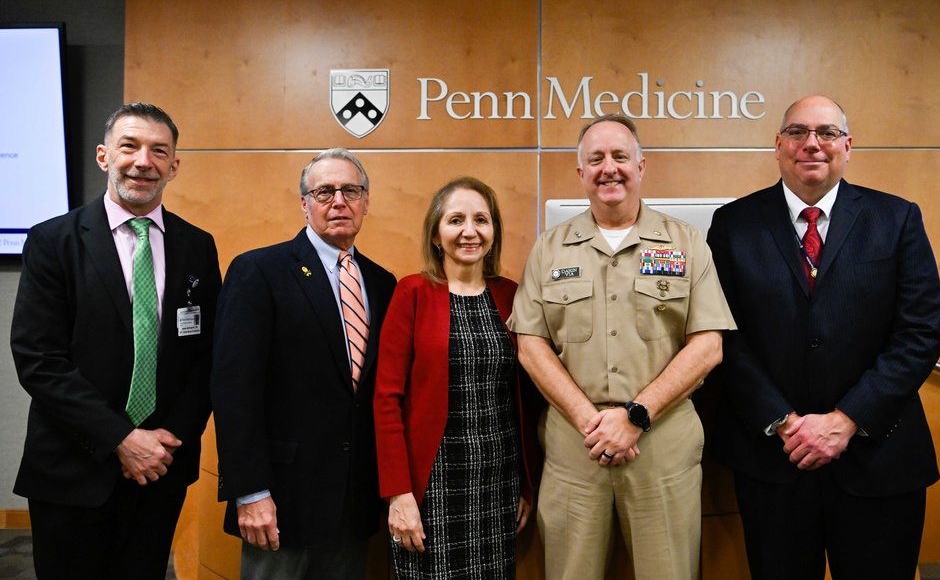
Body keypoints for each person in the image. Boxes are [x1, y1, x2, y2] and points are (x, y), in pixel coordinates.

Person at [706, 95, 940, 580]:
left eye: (827, 133)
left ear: (847, 146)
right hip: (776, 457)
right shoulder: (733, 225)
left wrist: (846, 419)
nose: (811, 143)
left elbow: (918, 334)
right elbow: (723, 336)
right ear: (778, 145)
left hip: (879, 457)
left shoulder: (897, 219)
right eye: (797, 132)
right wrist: (784, 421)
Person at [507, 114, 736, 580]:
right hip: (576, 449)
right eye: (595, 159)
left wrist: (636, 416)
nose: (608, 168)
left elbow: (708, 345)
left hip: (662, 447)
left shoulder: (687, 244)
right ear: (580, 173)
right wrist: (590, 422)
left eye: (619, 157)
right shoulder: (550, 249)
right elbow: (531, 346)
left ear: (641, 165)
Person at [9, 102, 221, 580]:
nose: (143, 161)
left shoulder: (197, 245)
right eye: (130, 146)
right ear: (104, 156)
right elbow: (39, 360)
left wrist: (162, 445)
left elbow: (206, 357)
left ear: (174, 165)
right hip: (71, 466)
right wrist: (121, 438)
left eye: (159, 151)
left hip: (159, 470)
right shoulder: (52, 241)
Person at [211, 148, 397, 580]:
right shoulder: (259, 270)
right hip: (279, 502)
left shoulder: (382, 283)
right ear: (304, 203)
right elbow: (233, 390)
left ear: (366, 201)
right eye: (324, 191)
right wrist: (250, 491)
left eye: (351, 190)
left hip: (352, 502)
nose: (338, 201)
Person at [374, 177, 541, 580]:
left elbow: (525, 398)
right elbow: (386, 399)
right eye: (456, 220)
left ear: (494, 231)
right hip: (431, 485)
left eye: (481, 220)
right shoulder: (412, 293)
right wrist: (399, 494)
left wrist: (525, 483)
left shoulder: (511, 295)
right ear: (436, 233)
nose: (470, 231)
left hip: (497, 482)